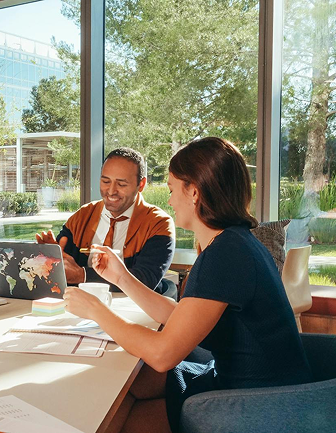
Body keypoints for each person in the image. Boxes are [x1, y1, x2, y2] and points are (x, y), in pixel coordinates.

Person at [63, 137, 312, 432]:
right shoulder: (237, 241)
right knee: (132, 387)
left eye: (171, 189)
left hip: (257, 404)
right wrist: (120, 277)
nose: (168, 201)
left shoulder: (225, 255)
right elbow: (181, 316)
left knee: (120, 417)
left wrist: (96, 311)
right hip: (256, 384)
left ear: (193, 192)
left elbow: (162, 355)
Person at [36, 147, 175, 296]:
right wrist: (53, 259)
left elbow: (145, 280)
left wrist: (82, 275)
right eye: (105, 181)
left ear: (141, 184)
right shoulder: (83, 216)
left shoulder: (159, 224)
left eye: (121, 184)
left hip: (134, 311)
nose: (111, 191)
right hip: (81, 307)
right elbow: (64, 269)